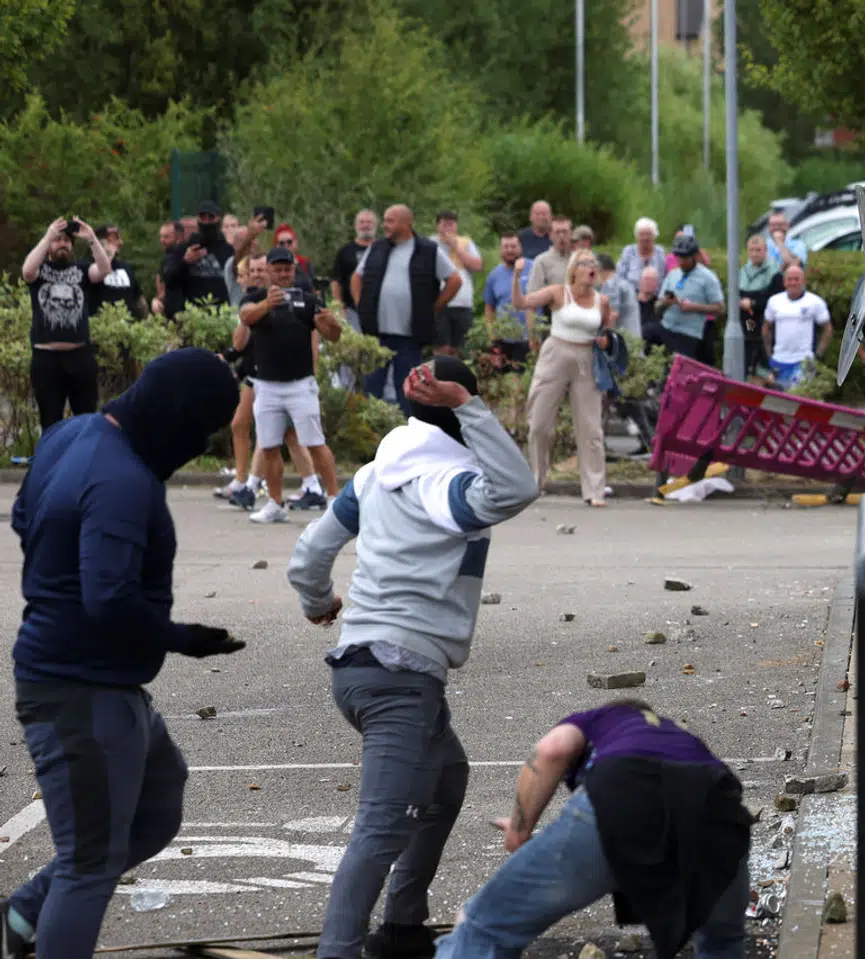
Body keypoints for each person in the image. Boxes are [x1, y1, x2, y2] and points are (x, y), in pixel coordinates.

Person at [287, 356, 539, 959]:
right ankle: (339, 951)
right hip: (398, 679)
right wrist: (469, 406)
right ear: (459, 415)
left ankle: (402, 926)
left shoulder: (376, 474)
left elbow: (310, 553)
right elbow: (517, 487)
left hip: (363, 668)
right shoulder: (445, 485)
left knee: (447, 779)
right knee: (379, 828)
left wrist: (319, 601)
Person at [0, 348, 245, 959]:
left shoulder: (68, 435)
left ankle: (22, 916)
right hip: (79, 689)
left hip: (100, 681)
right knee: (89, 864)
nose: (201, 443)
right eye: (203, 429)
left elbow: (24, 517)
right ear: (178, 417)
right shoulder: (122, 481)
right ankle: (34, 926)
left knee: (158, 802)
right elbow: (107, 598)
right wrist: (183, 638)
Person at [435, 700, 751, 959]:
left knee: (484, 927)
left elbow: (552, 750)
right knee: (722, 941)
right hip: (720, 810)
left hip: (623, 793)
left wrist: (519, 831)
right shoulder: (680, 738)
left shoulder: (601, 718)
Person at [239, 247, 345, 524]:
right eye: (278, 269)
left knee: (315, 443)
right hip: (266, 386)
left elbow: (333, 335)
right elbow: (246, 318)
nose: (283, 274)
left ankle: (334, 499)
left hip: (300, 385)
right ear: (269, 271)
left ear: (294, 270)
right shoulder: (256, 298)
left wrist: (331, 324)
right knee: (269, 446)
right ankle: (275, 503)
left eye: (288, 269)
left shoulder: (308, 300)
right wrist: (267, 305)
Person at [215, 255, 323, 513]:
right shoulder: (253, 300)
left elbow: (311, 336)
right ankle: (254, 483)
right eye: (252, 270)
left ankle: (253, 485)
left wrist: (312, 371)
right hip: (257, 371)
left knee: (280, 434)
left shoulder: (295, 296)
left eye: (261, 269)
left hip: (283, 376)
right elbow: (240, 341)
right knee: (260, 429)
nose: (257, 274)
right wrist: (229, 354)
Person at [511, 251, 616, 507]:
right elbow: (521, 303)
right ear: (574, 269)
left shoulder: (601, 300)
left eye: (593, 263)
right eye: (585, 263)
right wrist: (516, 276)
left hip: (586, 358)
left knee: (591, 427)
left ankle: (594, 490)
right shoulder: (558, 292)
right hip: (556, 353)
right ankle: (535, 482)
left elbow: (607, 331)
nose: (591, 267)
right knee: (539, 423)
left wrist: (605, 340)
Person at [351, 205, 462, 416]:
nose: (385, 225)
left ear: (406, 223)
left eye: (390, 221)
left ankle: (409, 429)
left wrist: (435, 307)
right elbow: (357, 277)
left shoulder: (428, 250)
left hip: (410, 336)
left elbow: (454, 280)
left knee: (409, 392)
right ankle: (371, 432)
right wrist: (361, 306)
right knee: (371, 388)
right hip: (376, 334)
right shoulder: (377, 247)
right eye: (385, 220)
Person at [21, 217, 111, 431]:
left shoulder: (83, 269)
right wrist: (48, 236)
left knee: (86, 422)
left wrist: (92, 238)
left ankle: (84, 454)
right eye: (57, 240)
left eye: (67, 241)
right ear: (49, 245)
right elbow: (27, 271)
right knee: (50, 423)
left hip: (80, 356)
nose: (62, 244)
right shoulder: (40, 270)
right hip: (46, 360)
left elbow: (105, 270)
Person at [763, 264, 831, 391]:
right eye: (789, 279)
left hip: (804, 361)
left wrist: (817, 355)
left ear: (803, 281)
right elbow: (766, 328)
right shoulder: (774, 301)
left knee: (798, 397)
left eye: (796, 279)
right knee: (779, 399)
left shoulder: (815, 302)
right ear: (784, 282)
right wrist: (769, 355)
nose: (793, 283)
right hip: (779, 360)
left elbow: (827, 329)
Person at [160, 200, 234, 316]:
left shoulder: (227, 250)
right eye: (203, 217)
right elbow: (169, 280)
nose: (206, 222)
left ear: (218, 219)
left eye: (211, 217)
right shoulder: (184, 249)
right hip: (192, 316)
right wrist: (185, 262)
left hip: (220, 316)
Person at [657, 235, 724, 361]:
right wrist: (665, 302)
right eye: (679, 257)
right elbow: (658, 305)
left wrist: (693, 307)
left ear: (695, 256)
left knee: (678, 363)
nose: (681, 262)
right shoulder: (673, 274)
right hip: (666, 327)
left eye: (685, 258)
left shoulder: (708, 278)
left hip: (688, 333)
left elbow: (719, 308)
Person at [431, 211, 485, 357]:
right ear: (438, 226)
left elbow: (477, 266)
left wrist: (456, 246)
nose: (448, 228)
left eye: (452, 224)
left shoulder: (465, 243)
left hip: (463, 304)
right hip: (440, 304)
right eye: (445, 224)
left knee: (461, 350)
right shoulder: (431, 244)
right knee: (442, 349)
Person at [522, 217, 574, 342]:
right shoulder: (542, 261)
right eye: (557, 232)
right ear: (550, 235)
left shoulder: (579, 259)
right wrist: (532, 335)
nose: (561, 236)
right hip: (552, 321)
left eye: (565, 232)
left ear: (571, 234)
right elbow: (531, 300)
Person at [738, 234, 782, 379]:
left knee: (765, 363)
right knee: (747, 360)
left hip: (765, 324)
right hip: (747, 324)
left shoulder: (775, 272)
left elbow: (776, 299)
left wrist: (753, 303)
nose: (754, 253)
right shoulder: (743, 271)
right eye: (751, 250)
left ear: (765, 250)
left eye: (758, 250)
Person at [331, 210, 377, 331]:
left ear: (375, 225)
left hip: (378, 310)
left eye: (369, 222)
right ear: (356, 225)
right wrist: (339, 307)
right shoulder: (345, 251)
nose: (365, 225)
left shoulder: (382, 249)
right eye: (361, 222)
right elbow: (336, 281)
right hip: (352, 310)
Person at [93, 224, 147, 319]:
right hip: (99, 324)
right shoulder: (88, 267)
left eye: (120, 238)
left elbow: (138, 300)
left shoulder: (126, 268)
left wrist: (147, 320)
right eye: (116, 239)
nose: (121, 242)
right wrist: (107, 254)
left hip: (126, 325)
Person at [481, 233, 531, 330]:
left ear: (520, 247)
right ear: (500, 249)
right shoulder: (494, 275)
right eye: (506, 247)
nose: (510, 250)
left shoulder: (534, 268)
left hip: (534, 333)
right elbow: (489, 308)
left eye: (513, 246)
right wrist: (492, 334)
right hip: (504, 334)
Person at [616, 217, 668, 290]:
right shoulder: (629, 251)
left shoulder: (660, 252)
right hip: (631, 293)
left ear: (654, 236)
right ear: (637, 236)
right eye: (641, 234)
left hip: (655, 294)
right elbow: (619, 276)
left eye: (649, 234)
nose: (645, 238)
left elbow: (663, 277)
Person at [596, 253, 639, 338]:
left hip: (623, 339)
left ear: (599, 269)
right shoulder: (625, 284)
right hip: (634, 337)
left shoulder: (610, 285)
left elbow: (611, 316)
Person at [150, 220, 185, 317]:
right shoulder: (166, 259)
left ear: (179, 237)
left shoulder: (186, 257)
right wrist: (157, 299)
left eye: (166, 237)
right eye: (161, 236)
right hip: (169, 314)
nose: (162, 240)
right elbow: (162, 288)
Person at [273, 223, 317, 291]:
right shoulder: (271, 265)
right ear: (276, 246)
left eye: (289, 242)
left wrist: (297, 268)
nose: (286, 245)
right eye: (281, 243)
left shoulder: (306, 264)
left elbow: (313, 288)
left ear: (296, 243)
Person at [636, 266, 664, 352]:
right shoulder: (630, 302)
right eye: (646, 279)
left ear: (657, 284)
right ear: (640, 281)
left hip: (650, 350)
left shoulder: (660, 306)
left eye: (652, 280)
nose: (649, 283)